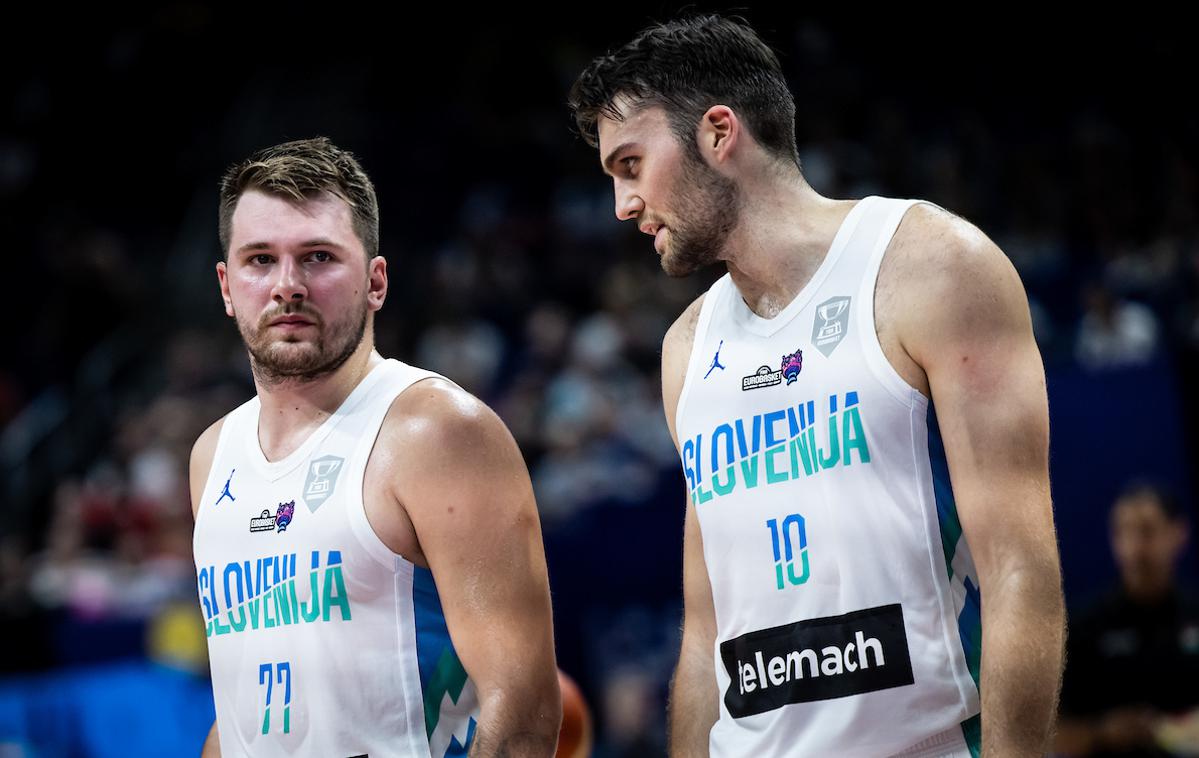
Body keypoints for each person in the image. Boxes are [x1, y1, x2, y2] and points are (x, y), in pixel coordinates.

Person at [569, 14, 1064, 758]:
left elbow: (1019, 567)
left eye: (631, 164)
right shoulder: (686, 347)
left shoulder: (931, 267)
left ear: (717, 133)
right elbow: (706, 631)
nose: (622, 206)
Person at [190, 137, 560, 757]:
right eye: (260, 260)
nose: (288, 285)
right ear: (227, 287)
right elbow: (238, 717)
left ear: (375, 282)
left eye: (318, 257)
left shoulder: (436, 431)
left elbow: (522, 704)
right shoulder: (211, 457)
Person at [1056, 483, 1199, 757]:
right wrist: (1103, 732)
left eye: (1146, 530)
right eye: (1124, 532)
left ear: (1179, 533)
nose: (1135, 546)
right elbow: (1053, 736)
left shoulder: (1194, 612)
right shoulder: (1083, 628)